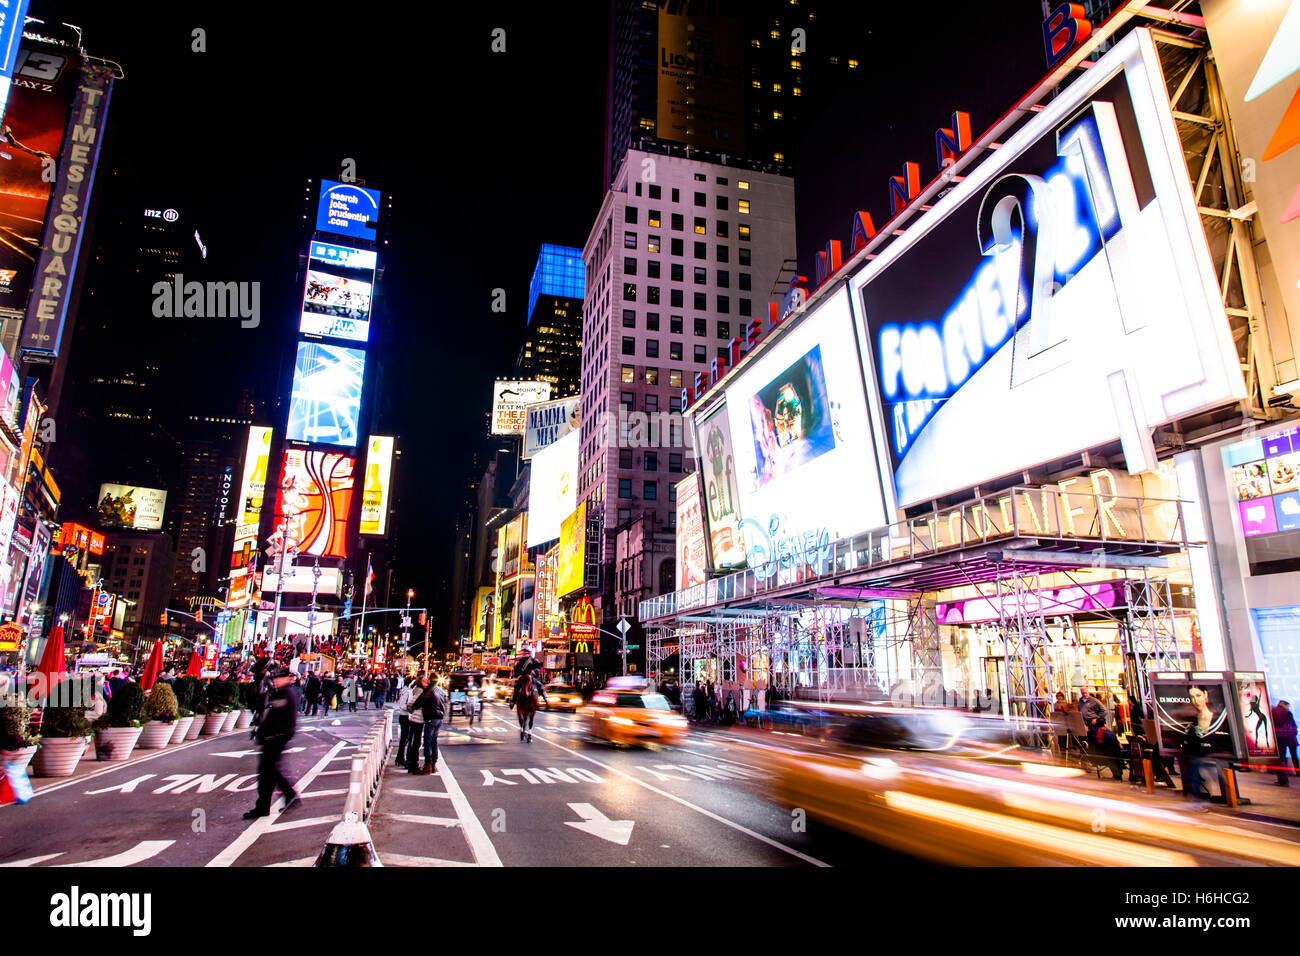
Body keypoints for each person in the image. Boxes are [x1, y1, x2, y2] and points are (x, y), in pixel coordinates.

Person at [244, 666, 301, 819]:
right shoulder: (280, 693)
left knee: (267, 771)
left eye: (277, 678)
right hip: (273, 736)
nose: (275, 681)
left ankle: (284, 797)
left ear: (286, 679)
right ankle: (272, 803)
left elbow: (278, 719)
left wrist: (268, 733)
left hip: (277, 737)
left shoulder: (286, 693)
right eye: (274, 678)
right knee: (269, 771)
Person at [409, 674, 447, 774]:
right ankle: (434, 764)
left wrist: (413, 708)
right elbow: (444, 702)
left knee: (427, 741)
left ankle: (428, 765)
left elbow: (418, 702)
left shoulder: (429, 690)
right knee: (434, 741)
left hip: (431, 717)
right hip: (439, 717)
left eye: (427, 680)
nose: (427, 682)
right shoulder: (439, 690)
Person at [405, 672, 427, 772]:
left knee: (415, 741)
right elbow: (410, 704)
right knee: (416, 742)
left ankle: (412, 762)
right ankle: (413, 764)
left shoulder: (421, 691)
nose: (426, 682)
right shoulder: (419, 692)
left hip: (418, 719)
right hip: (417, 720)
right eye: (424, 681)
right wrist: (414, 711)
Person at [1273, 699, 1298, 786]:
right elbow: (1293, 725)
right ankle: (1298, 772)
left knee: (1281, 758)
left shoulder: (1274, 711)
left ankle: (1283, 780)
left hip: (1279, 737)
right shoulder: (1288, 713)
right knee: (1294, 756)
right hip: (1290, 737)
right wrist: (1294, 732)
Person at [394, 676, 415, 767]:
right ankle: (400, 758)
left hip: (406, 716)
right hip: (405, 717)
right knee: (404, 738)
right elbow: (402, 704)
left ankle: (400, 758)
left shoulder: (406, 691)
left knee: (405, 739)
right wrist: (411, 709)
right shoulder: (407, 692)